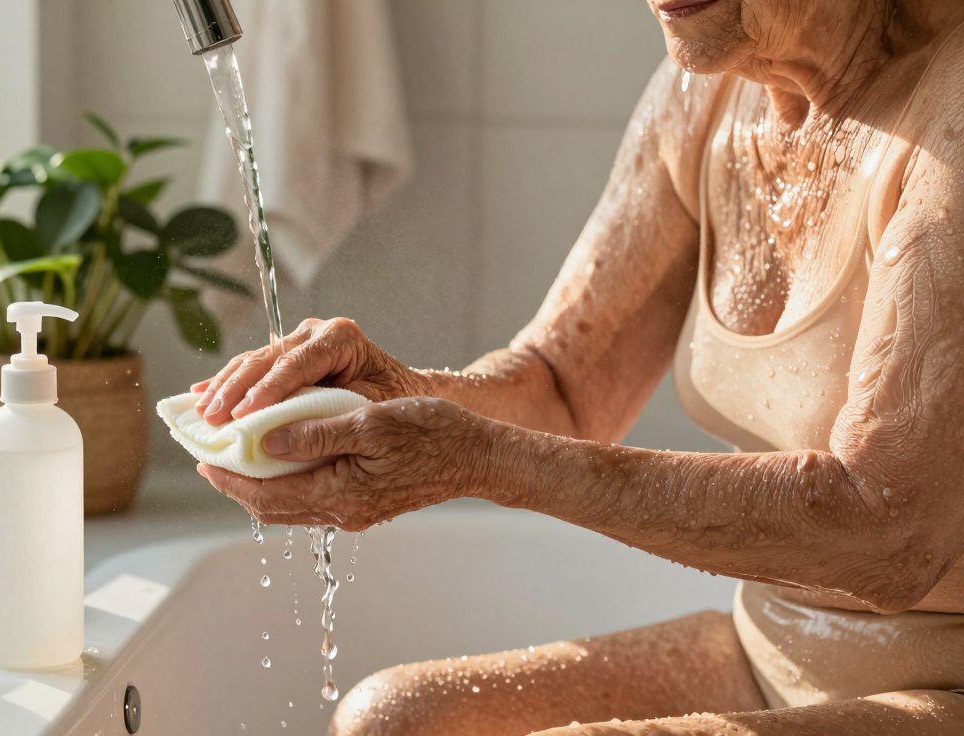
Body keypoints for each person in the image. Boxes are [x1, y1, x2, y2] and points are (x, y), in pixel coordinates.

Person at [193, 0, 964, 733]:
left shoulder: (949, 113)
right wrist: (392, 397)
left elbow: (888, 533)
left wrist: (483, 459)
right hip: (766, 652)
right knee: (389, 722)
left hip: (946, 688)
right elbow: (564, 384)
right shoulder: (704, 98)